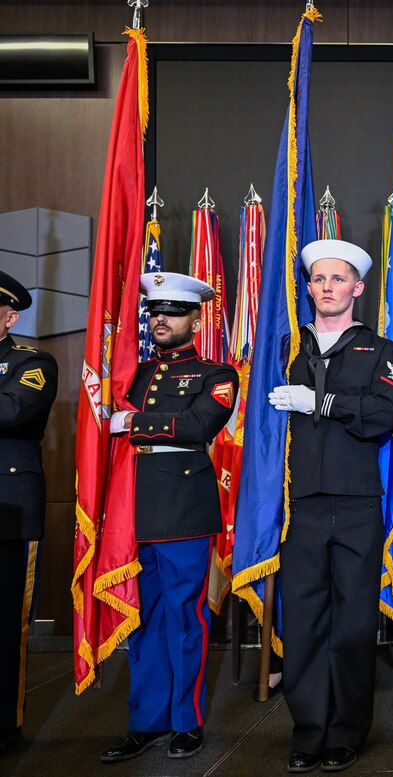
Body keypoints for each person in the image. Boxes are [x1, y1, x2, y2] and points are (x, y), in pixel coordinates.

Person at [268, 239, 393, 773]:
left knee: (350, 621)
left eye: (337, 279)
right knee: (302, 620)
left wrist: (320, 402)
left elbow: (380, 415)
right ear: (308, 288)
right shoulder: (284, 349)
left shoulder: (382, 351)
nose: (326, 288)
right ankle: (307, 731)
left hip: (354, 503)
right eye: (318, 280)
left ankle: (346, 731)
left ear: (358, 288)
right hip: (299, 500)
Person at [101, 272, 237, 764]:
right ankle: (147, 721)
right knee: (144, 620)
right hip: (132, 508)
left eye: (173, 311)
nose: (161, 318)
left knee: (184, 619)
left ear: (195, 318)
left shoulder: (215, 374)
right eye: (155, 311)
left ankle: (186, 722)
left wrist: (134, 422)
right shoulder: (134, 373)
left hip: (183, 507)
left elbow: (200, 424)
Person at [0, 271, 57, 756]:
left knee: (4, 623)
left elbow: (12, 411)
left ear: (10, 317)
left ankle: (5, 723)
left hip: (9, 514)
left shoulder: (32, 363)